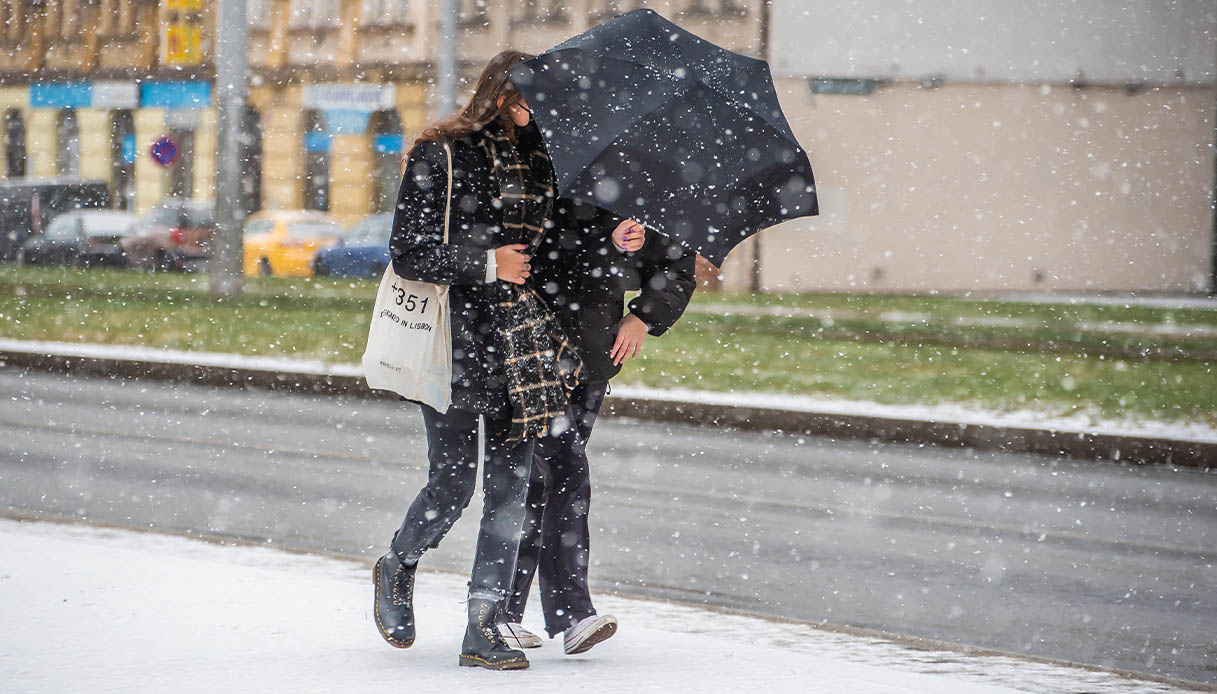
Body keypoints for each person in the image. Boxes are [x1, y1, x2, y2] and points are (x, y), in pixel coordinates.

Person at [371, 50, 648, 671]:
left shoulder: (547, 160)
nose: (538, 114)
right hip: (452, 341)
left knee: (513, 488)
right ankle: (398, 563)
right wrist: (484, 262)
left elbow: (555, 251)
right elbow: (408, 252)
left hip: (522, 343)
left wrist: (614, 240)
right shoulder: (441, 154)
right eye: (529, 101)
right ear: (500, 93)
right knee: (453, 482)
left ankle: (485, 624)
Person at [500, 198, 697, 654]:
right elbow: (533, 260)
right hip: (532, 345)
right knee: (559, 472)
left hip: (593, 351)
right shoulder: (549, 170)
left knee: (543, 479)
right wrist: (604, 245)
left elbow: (676, 265)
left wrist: (644, 314)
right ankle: (564, 613)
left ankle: (505, 611)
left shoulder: (647, 186)